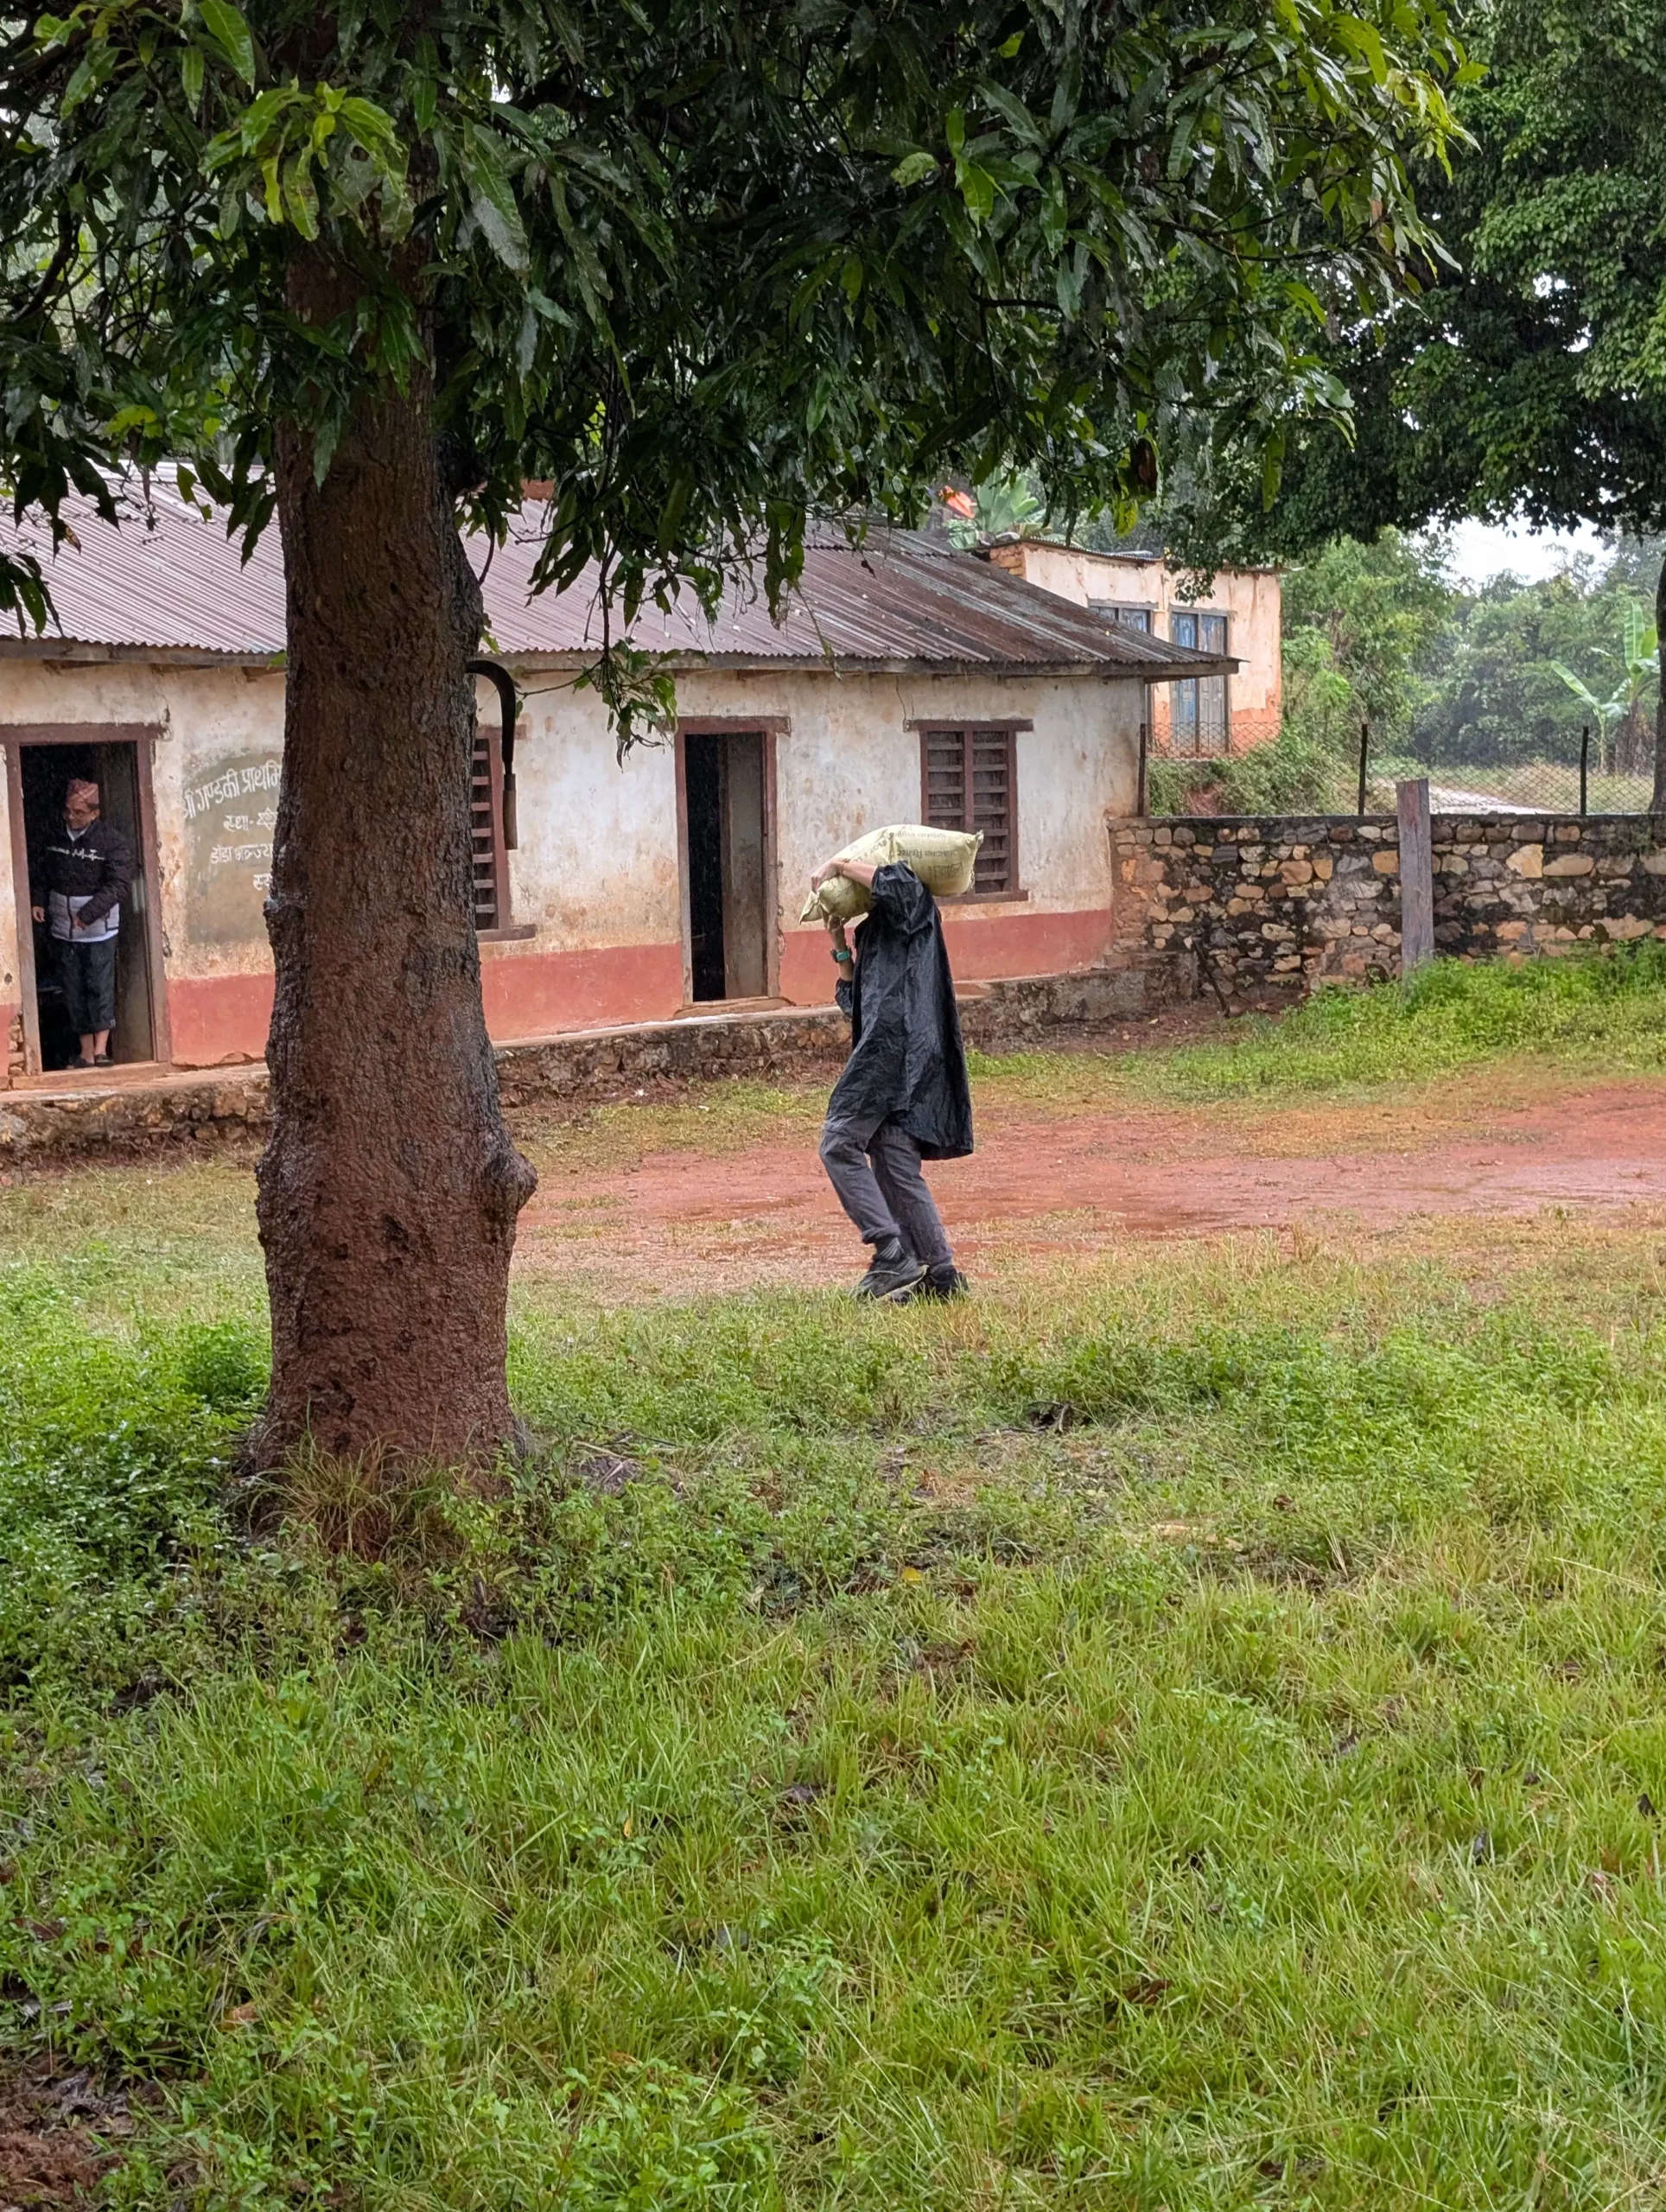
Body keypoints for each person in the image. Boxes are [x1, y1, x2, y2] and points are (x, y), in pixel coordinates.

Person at [814, 854, 972, 1301]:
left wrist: (840, 863)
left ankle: (890, 1253)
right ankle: (941, 1275)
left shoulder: (913, 907)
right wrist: (840, 948)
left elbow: (897, 881)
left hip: (894, 1051)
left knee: (839, 1143)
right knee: (894, 1158)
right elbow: (857, 1006)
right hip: (897, 1053)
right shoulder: (873, 931)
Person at [29, 777, 132, 1071]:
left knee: (99, 984)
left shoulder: (111, 841)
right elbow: (41, 872)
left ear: (94, 813)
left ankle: (101, 1050)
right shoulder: (54, 838)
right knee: (73, 988)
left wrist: (88, 914)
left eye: (79, 812)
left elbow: (118, 885)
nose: (71, 817)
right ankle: (85, 1052)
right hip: (63, 927)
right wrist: (39, 900)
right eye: (68, 810)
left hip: (99, 928)